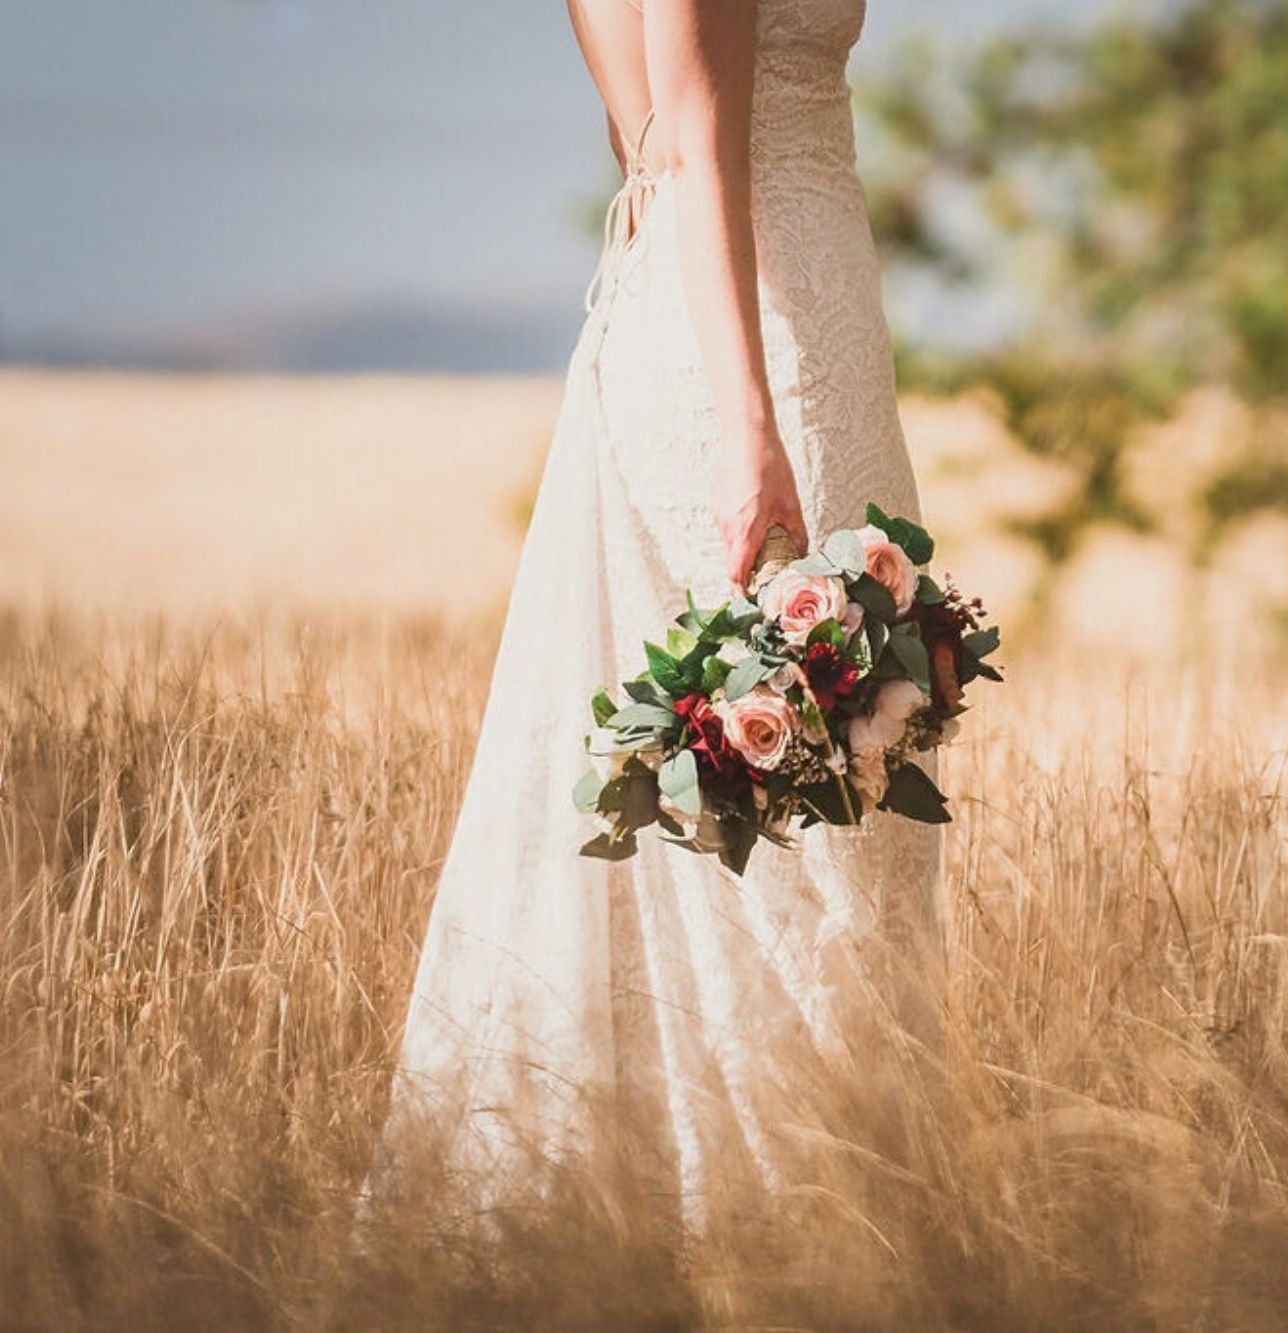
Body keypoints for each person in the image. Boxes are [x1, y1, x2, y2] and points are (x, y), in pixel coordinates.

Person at [373, 0, 942, 1235]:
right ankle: (789, 1210)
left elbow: (636, 135)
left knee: (797, 771)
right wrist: (749, 428)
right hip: (761, 343)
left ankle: (709, 1200)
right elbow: (685, 136)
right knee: (813, 782)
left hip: (741, 304)